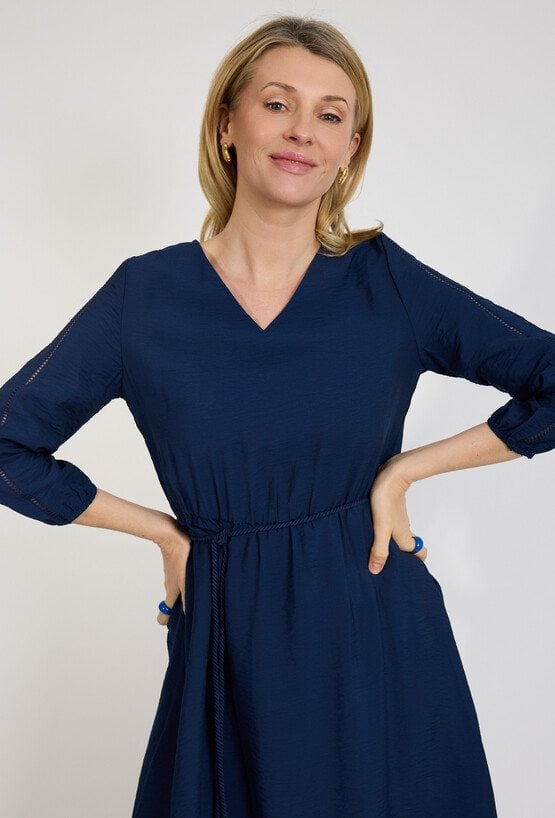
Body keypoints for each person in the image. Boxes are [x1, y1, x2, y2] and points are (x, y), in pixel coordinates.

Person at [1, 14, 553, 818]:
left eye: (330, 115)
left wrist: (405, 471)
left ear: (350, 149)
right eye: (277, 104)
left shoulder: (384, 283)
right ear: (227, 124)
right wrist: (165, 534)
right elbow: (9, 442)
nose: (302, 132)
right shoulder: (144, 299)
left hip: (374, 633)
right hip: (224, 637)